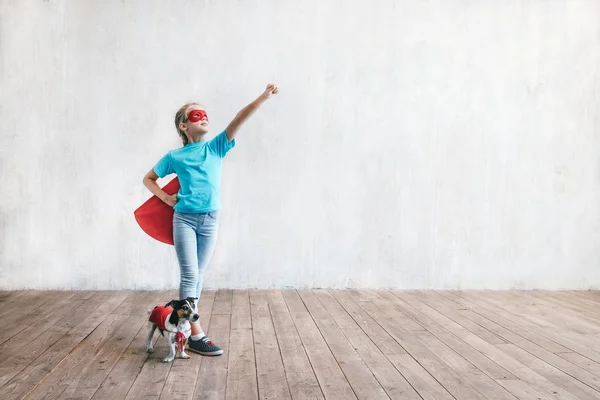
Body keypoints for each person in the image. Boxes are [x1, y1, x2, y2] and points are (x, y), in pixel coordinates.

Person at [143, 83, 279, 355]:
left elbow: (239, 118)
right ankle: (196, 333)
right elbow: (149, 179)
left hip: (210, 221)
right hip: (184, 220)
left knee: (198, 277)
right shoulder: (175, 156)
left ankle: (184, 329)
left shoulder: (216, 147)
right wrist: (166, 198)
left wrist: (262, 98)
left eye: (205, 114)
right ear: (183, 126)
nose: (203, 117)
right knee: (190, 274)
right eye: (195, 116)